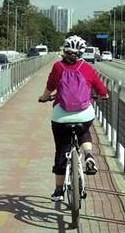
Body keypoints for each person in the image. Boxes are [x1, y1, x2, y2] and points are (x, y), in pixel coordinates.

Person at [38, 35, 109, 202]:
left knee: (62, 150)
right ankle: (89, 155)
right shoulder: (87, 68)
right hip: (84, 113)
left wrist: (43, 98)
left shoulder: (58, 67)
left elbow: (50, 87)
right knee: (84, 129)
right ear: (82, 53)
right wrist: (104, 95)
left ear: (64, 50)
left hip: (61, 115)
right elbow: (101, 89)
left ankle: (58, 191)